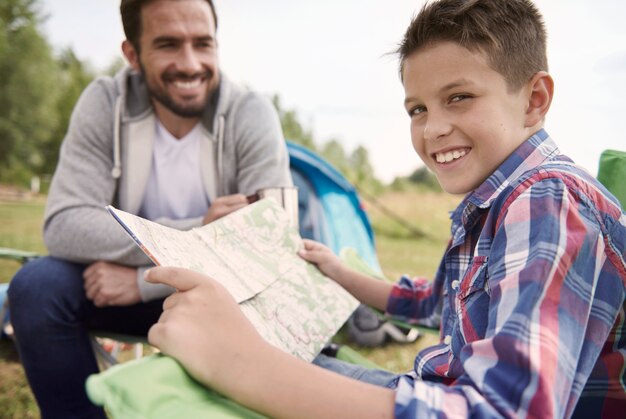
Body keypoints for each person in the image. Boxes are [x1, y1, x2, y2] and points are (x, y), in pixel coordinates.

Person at [143, 0, 626, 417]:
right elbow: (434, 301)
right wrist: (339, 272)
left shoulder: (548, 201)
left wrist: (242, 364)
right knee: (260, 353)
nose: (432, 128)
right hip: (432, 392)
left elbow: (502, 412)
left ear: (534, 100)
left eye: (458, 98)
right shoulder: (500, 200)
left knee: (224, 369)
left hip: (448, 402)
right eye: (417, 109)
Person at [7, 0, 291, 417]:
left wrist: (143, 281)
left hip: (221, 298)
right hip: (115, 293)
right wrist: (202, 228)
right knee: (36, 287)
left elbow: (271, 244)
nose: (191, 63)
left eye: (203, 43)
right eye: (168, 45)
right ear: (132, 55)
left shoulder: (251, 113)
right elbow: (65, 224)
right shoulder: (105, 102)